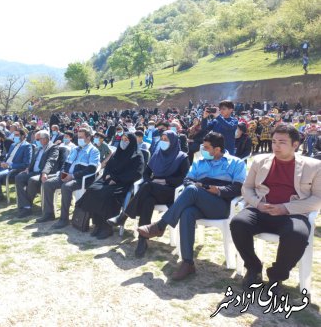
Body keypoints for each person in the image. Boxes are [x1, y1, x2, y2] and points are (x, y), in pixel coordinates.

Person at [137, 132, 246, 280]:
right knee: (187, 212)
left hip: (220, 205)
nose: (203, 151)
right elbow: (187, 180)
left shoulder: (236, 163)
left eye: (206, 148)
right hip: (198, 201)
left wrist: (218, 190)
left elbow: (238, 188)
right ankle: (187, 263)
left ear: (217, 149)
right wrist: (199, 185)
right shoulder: (199, 162)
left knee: (193, 190)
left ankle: (160, 225)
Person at [230, 124, 321, 293]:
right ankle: (253, 267)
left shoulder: (314, 166)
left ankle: (276, 276)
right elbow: (247, 188)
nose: (276, 146)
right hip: (261, 208)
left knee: (298, 235)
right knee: (238, 223)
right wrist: (258, 204)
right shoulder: (260, 161)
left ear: (295, 144)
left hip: (293, 213)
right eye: (273, 141)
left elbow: (317, 198)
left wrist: (285, 208)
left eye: (282, 142)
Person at [108, 131, 189, 257]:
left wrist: (165, 181)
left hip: (170, 192)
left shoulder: (182, 157)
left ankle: (123, 216)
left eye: (166, 139)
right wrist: (151, 181)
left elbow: (184, 179)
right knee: (147, 201)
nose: (163, 141)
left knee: (147, 187)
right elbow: (146, 174)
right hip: (152, 190)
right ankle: (142, 240)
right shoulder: (157, 154)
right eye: (161, 138)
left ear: (173, 142)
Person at [77, 133, 144, 239]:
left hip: (124, 183)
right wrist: (108, 176)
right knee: (92, 189)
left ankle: (107, 227)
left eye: (126, 140)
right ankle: (98, 224)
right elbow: (108, 166)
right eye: (122, 139)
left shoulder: (137, 155)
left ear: (132, 142)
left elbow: (136, 174)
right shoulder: (117, 153)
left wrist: (116, 179)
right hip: (109, 180)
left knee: (106, 194)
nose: (123, 141)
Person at [39, 128, 100, 228]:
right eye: (78, 137)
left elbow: (91, 169)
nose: (79, 139)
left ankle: (64, 219)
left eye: (81, 137)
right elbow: (65, 164)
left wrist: (72, 176)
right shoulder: (75, 149)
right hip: (67, 176)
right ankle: (49, 214)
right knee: (48, 184)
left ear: (88, 138)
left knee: (66, 187)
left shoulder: (93, 151)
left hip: (80, 179)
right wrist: (63, 175)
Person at [0, 128, 32, 204]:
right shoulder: (13, 145)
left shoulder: (27, 146)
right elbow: (7, 157)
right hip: (4, 166)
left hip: (13, 169)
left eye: (17, 135)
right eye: (14, 135)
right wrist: (2, 162)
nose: (15, 136)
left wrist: (10, 165)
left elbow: (26, 163)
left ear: (23, 136)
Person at [15, 130, 60, 218]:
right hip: (33, 172)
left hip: (43, 173)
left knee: (32, 180)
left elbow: (50, 161)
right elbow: (33, 161)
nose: (36, 141)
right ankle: (26, 205)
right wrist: (28, 168)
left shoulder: (53, 148)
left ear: (45, 139)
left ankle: (26, 207)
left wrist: (44, 172)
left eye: (38, 139)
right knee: (19, 177)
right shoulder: (37, 148)